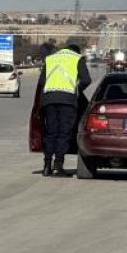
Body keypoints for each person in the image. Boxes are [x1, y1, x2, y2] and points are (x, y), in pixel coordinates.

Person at [35, 43, 92, 177]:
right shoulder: (78, 58)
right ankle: (58, 165)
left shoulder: (50, 58)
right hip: (67, 100)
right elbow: (86, 80)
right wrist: (77, 90)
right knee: (64, 132)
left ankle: (46, 165)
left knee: (51, 132)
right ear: (76, 51)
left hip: (49, 99)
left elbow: (42, 81)